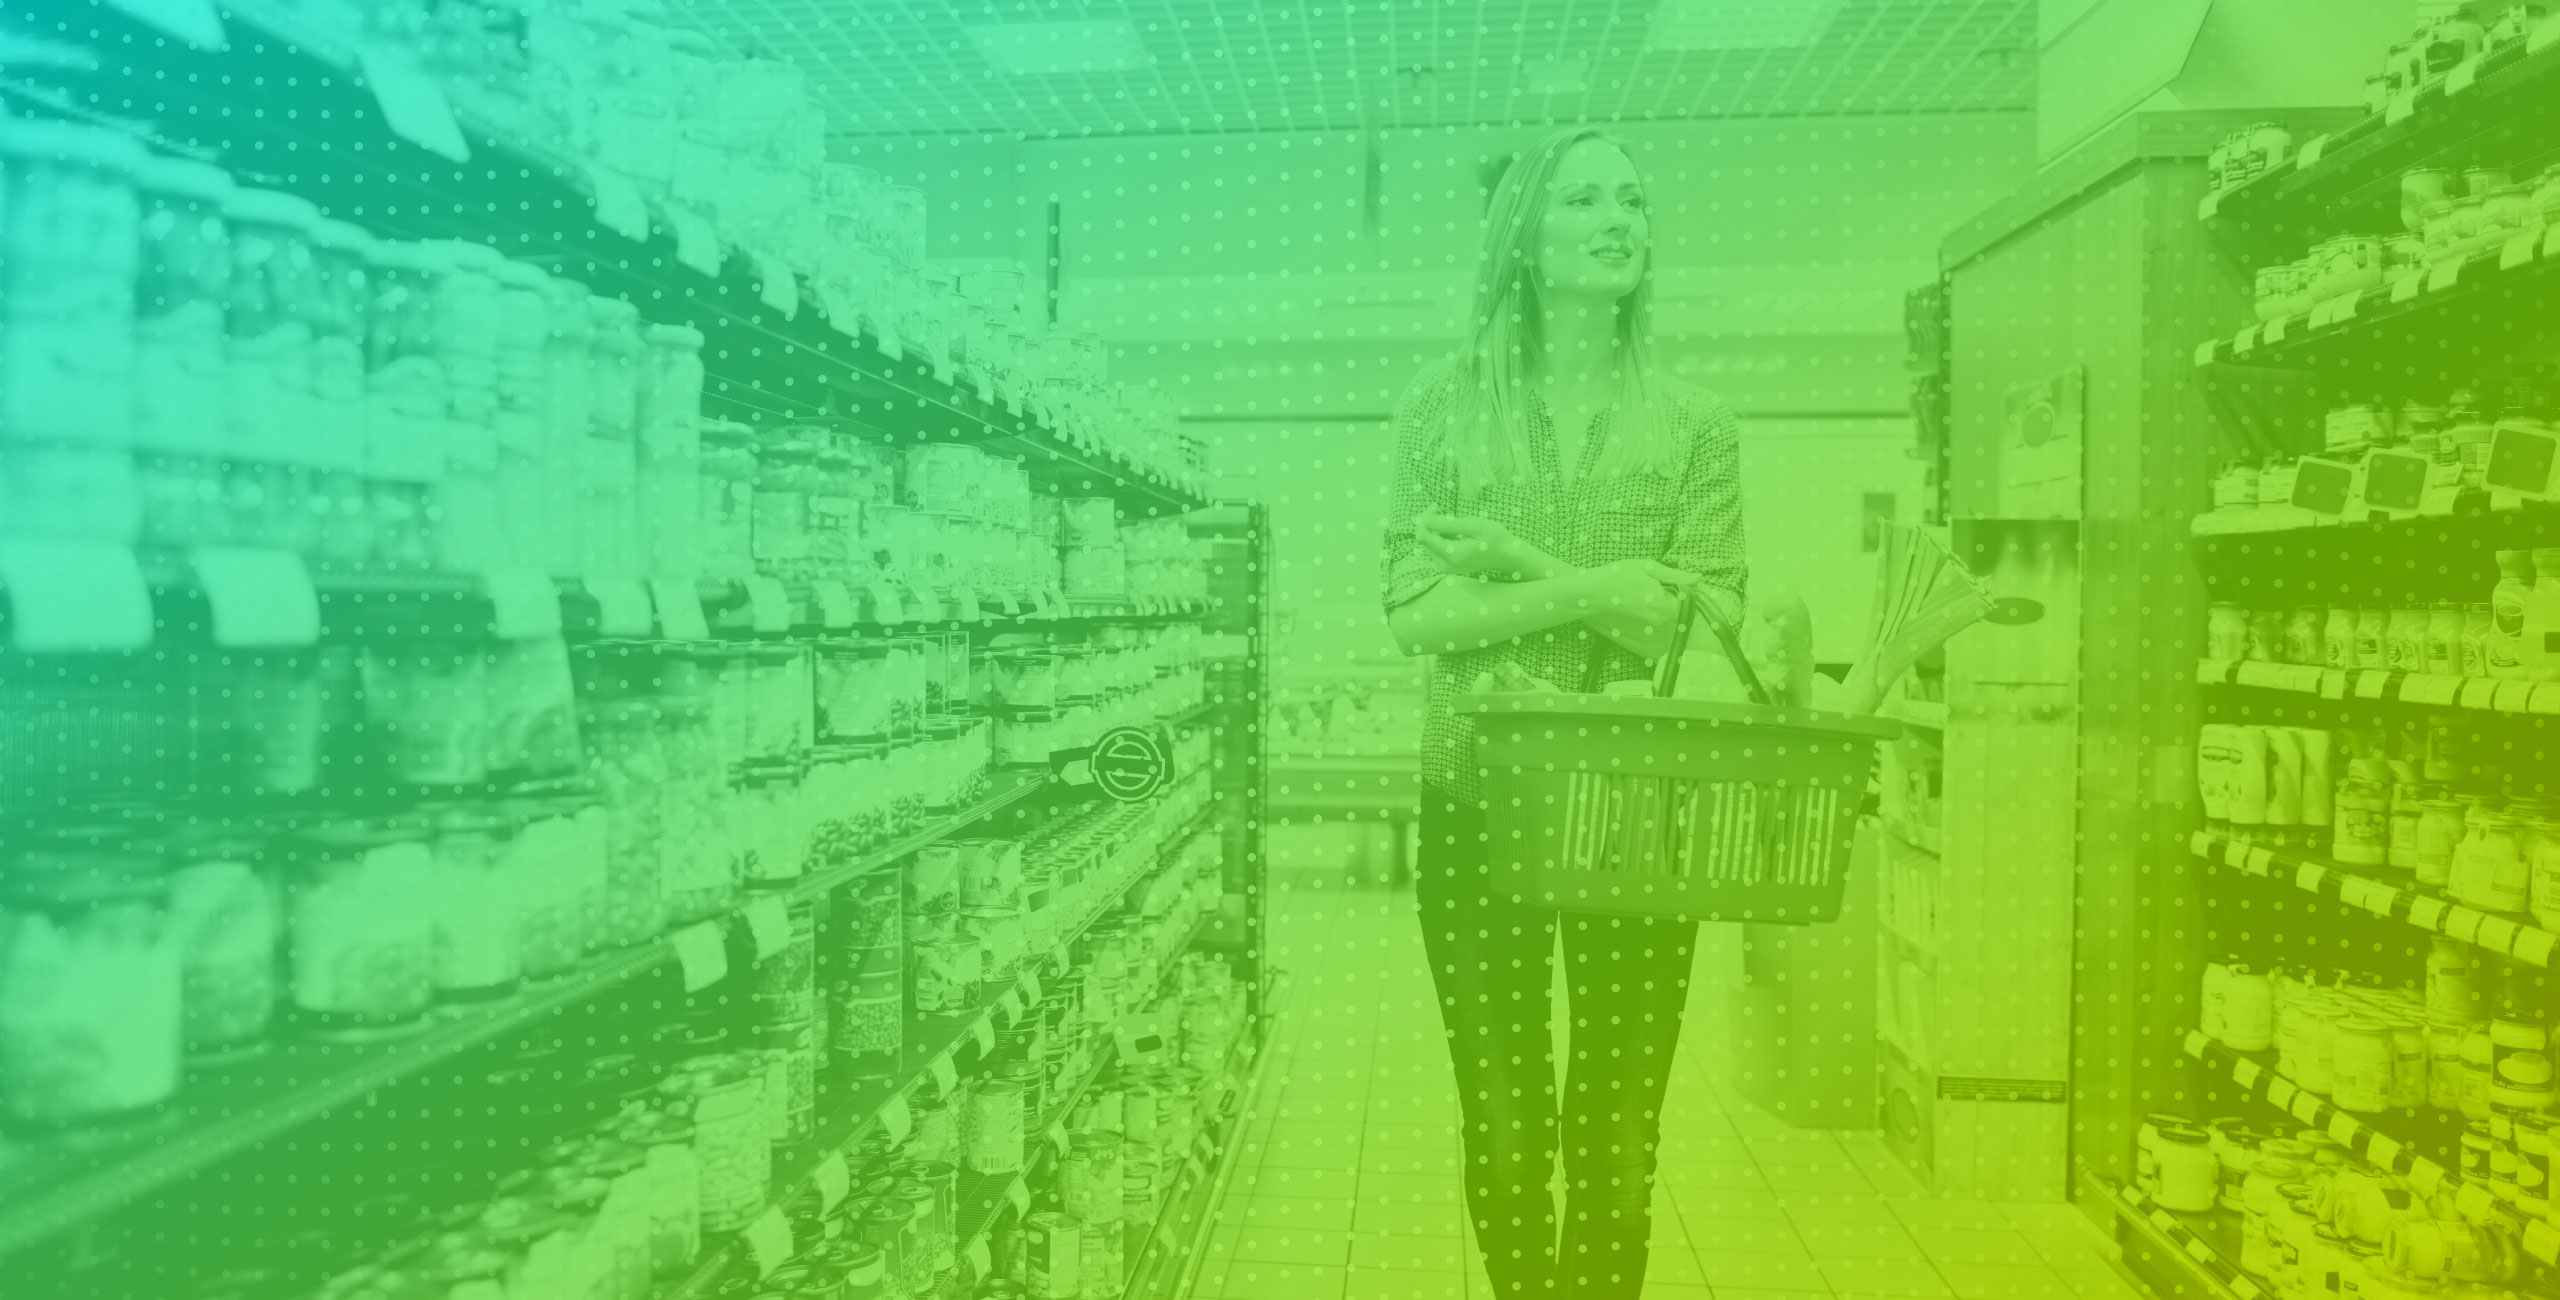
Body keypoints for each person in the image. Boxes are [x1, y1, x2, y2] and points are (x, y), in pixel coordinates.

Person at [1377, 125, 1748, 1298]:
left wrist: (1518, 566)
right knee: (1503, 1120)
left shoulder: (1697, 426)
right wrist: (1602, 588)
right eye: (1584, 198)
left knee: (1617, 1130)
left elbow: (1698, 632)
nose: (1617, 219)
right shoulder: (1440, 410)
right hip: (1474, 805)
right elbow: (1414, 612)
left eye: (1632, 200)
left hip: (1643, 817)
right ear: (1524, 240)